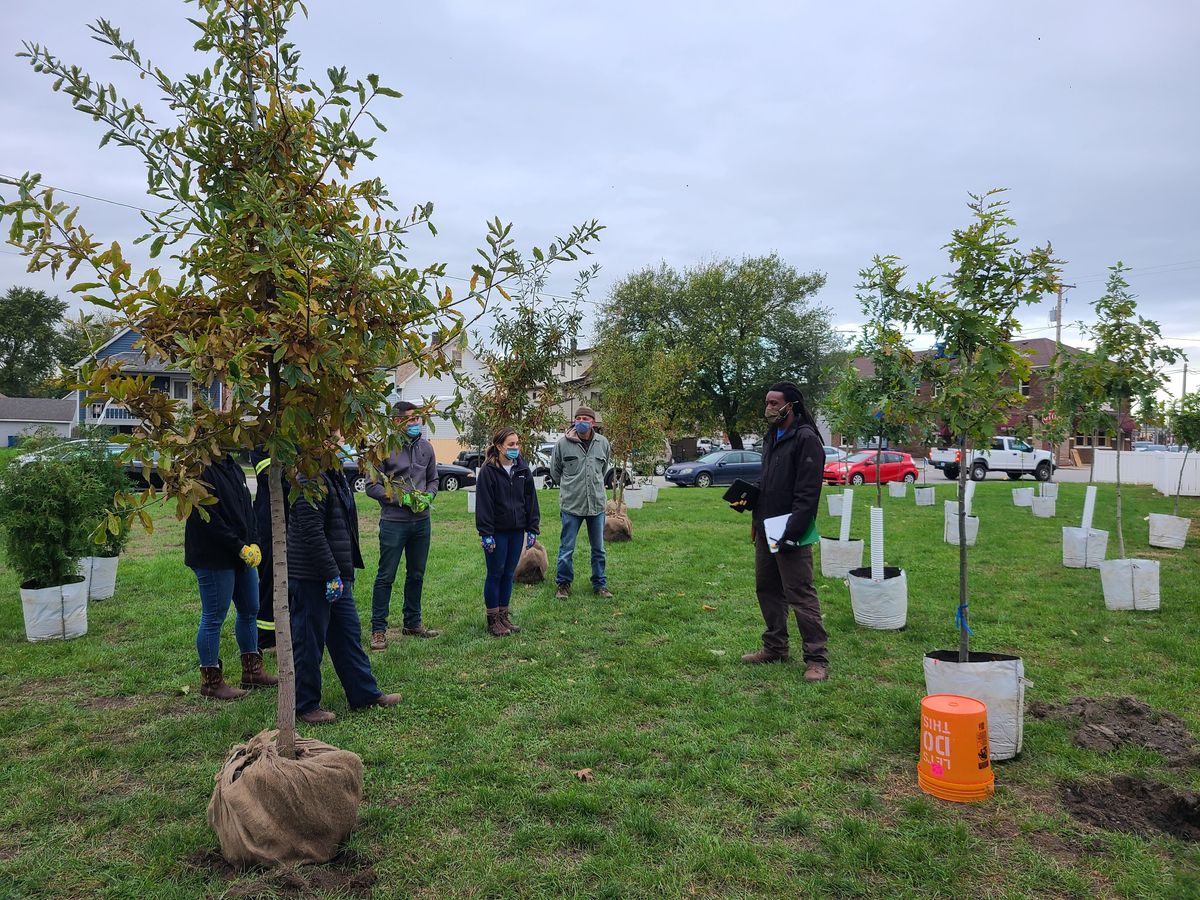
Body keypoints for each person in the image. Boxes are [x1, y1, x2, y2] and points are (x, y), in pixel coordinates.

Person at [287, 447, 402, 724]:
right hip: (313, 576)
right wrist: (330, 573)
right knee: (308, 641)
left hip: (336, 575)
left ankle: (363, 693)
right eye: (337, 435)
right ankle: (305, 705)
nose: (343, 442)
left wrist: (342, 572)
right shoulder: (309, 477)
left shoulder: (334, 474)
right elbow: (311, 531)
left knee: (347, 634)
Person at [742, 381, 829, 681]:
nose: (769, 408)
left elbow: (807, 494)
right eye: (767, 402)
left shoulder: (806, 439)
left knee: (800, 594)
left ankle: (817, 658)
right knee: (767, 589)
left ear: (791, 405)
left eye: (775, 403)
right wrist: (751, 504)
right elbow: (768, 482)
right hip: (766, 528)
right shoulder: (772, 437)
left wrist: (792, 533)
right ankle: (775, 646)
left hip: (791, 531)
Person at [183, 452, 278, 700]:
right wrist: (238, 546)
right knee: (214, 616)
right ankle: (211, 682)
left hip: (242, 552)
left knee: (250, 609)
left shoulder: (232, 466)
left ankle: (252, 670)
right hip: (214, 555)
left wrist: (254, 541)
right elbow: (208, 520)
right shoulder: (198, 468)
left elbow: (248, 507)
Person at [367, 401, 440, 650]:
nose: (416, 424)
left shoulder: (426, 449)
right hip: (394, 522)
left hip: (421, 522)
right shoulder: (382, 449)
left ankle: (412, 622)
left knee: (416, 575)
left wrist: (429, 496)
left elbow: (433, 480)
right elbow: (372, 485)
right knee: (385, 576)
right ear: (397, 422)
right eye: (411, 420)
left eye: (418, 419)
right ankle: (378, 629)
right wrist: (401, 499)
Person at [475, 428, 540, 636]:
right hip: (496, 532)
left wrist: (532, 528)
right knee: (495, 573)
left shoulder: (522, 469)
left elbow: (531, 500)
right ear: (499, 446)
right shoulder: (488, 471)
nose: (515, 448)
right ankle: (493, 619)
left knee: (509, 574)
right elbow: (483, 505)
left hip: (516, 531)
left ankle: (504, 616)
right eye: (510, 444)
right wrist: (486, 533)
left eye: (517, 444)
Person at [550, 407, 612, 599]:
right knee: (566, 548)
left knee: (599, 549)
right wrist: (571, 487)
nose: (581, 421)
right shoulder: (562, 445)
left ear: (593, 422)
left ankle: (600, 584)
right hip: (571, 505)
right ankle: (563, 585)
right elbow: (555, 472)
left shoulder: (603, 444)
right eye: (578, 418)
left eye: (585, 418)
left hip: (596, 505)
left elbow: (603, 470)